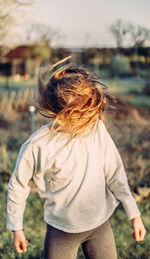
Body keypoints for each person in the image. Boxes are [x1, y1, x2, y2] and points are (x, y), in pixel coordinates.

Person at [7, 56, 146, 259]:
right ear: (62, 115)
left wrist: (134, 214)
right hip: (61, 231)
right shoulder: (38, 145)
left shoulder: (96, 128)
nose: (93, 120)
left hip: (100, 225)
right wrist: (16, 227)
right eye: (85, 116)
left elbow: (115, 171)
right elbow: (18, 185)